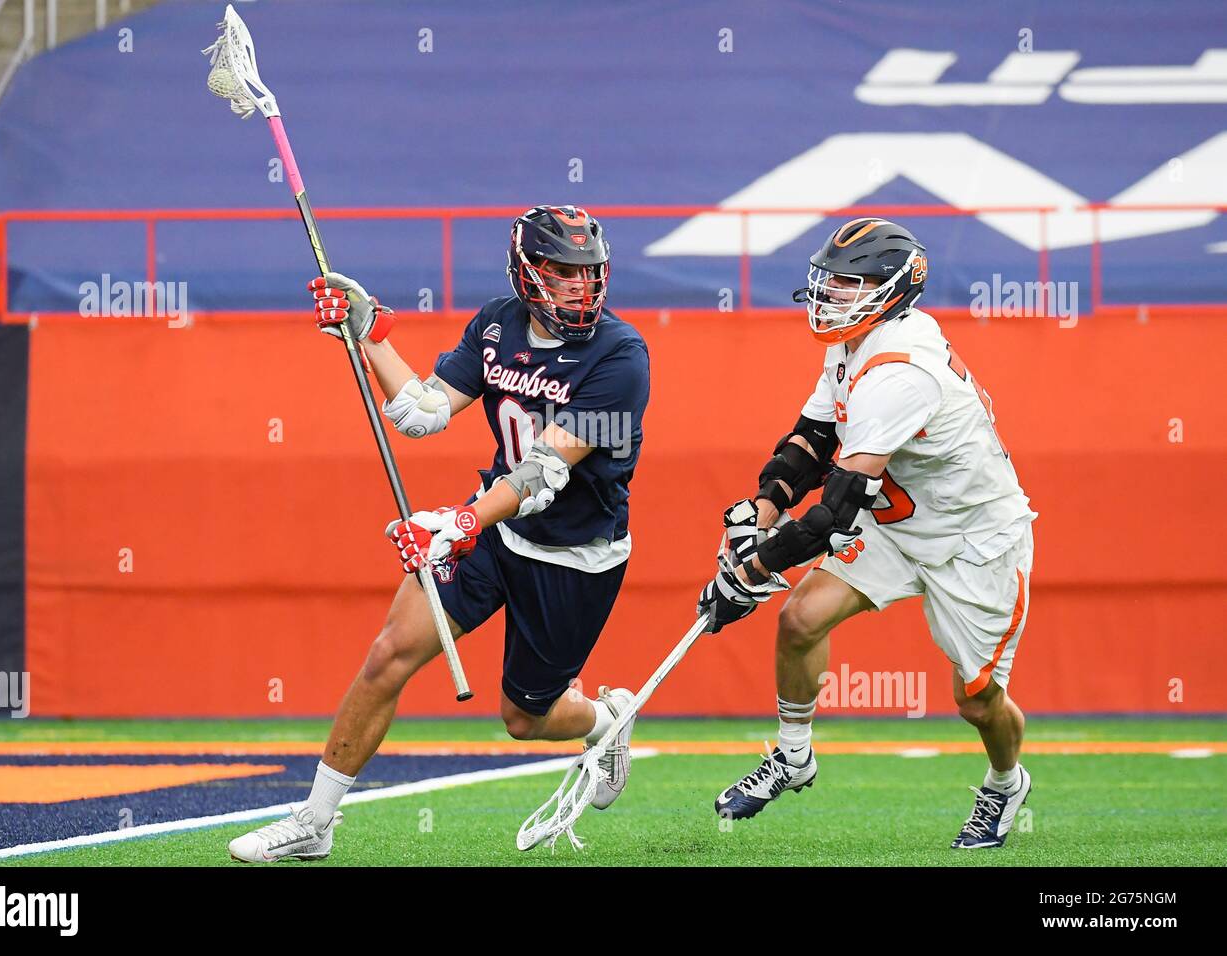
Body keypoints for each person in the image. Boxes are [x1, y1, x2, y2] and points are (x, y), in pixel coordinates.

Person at [229, 205, 651, 862]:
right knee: (388, 654)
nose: (579, 285)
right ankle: (315, 822)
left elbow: (543, 473)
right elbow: (421, 414)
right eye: (562, 271)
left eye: (588, 273)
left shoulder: (621, 356)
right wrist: (369, 334)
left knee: (524, 718)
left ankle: (605, 718)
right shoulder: (495, 324)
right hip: (493, 532)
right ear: (526, 270)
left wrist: (457, 523)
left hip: (573, 556)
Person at [698, 217, 1037, 849]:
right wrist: (760, 510)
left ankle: (1004, 782)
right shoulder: (855, 343)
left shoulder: (900, 371)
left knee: (977, 701)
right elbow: (810, 443)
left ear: (894, 289)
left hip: (972, 541)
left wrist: (749, 571)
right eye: (829, 283)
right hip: (898, 522)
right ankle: (794, 757)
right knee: (799, 621)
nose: (831, 298)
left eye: (850, 284)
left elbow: (836, 511)